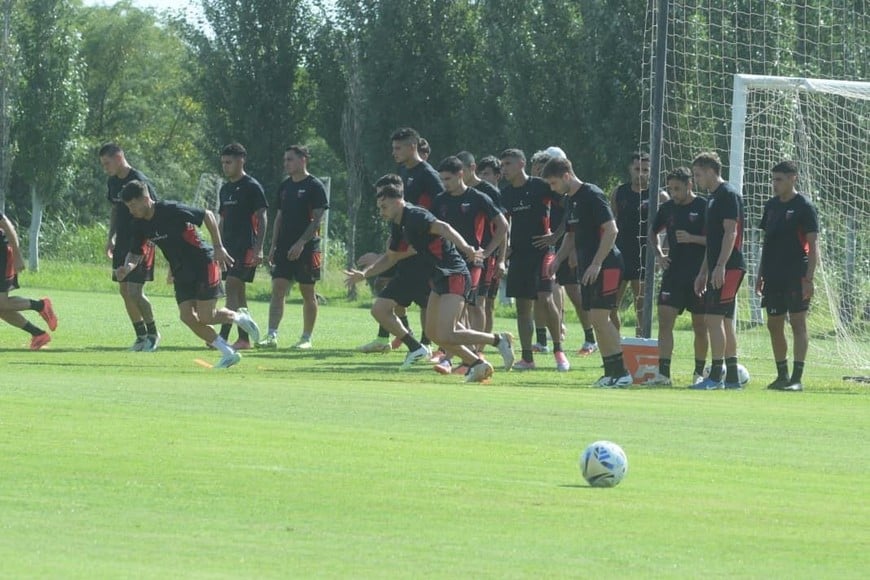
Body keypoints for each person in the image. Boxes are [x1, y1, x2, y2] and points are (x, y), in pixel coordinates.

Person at [344, 184, 514, 382]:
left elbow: (444, 228)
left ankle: (498, 340)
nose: (381, 211)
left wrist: (467, 248)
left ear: (398, 201)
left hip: (454, 272)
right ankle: (477, 364)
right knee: (434, 333)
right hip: (437, 277)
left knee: (448, 332)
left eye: (384, 206)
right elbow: (390, 258)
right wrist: (364, 274)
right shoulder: (398, 224)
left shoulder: (416, 215)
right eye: (379, 207)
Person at [118, 180, 260, 369]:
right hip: (181, 270)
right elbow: (136, 252)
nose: (131, 210)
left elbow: (207, 215)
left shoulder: (170, 209)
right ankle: (228, 352)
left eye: (133, 205)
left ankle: (240, 318)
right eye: (128, 207)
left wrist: (218, 247)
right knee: (187, 317)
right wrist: (127, 267)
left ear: (145, 199)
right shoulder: (139, 223)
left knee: (206, 316)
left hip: (203, 262)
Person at [542, 157, 632, 387]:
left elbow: (611, 231)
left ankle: (622, 372)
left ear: (566, 176)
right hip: (590, 266)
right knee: (595, 318)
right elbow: (571, 236)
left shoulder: (592, 194)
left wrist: (597, 263)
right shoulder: (570, 200)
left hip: (607, 264)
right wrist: (558, 260)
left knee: (601, 318)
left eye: (553, 183)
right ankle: (611, 371)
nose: (552, 189)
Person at [431, 156, 508, 374]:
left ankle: (475, 353)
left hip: (473, 262)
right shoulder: (440, 200)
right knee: (456, 311)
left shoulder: (478, 198)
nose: (445, 183)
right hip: (447, 263)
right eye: (442, 179)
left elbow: (502, 225)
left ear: (460, 175)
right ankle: (458, 356)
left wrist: (488, 252)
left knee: (474, 305)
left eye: (448, 179)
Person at [499, 148, 565, 371]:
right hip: (519, 255)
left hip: (543, 253)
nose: (504, 169)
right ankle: (527, 358)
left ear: (521, 164)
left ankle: (559, 352)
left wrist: (555, 236)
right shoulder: (506, 193)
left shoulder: (540, 186)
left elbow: (570, 208)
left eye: (508, 164)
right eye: (502, 164)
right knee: (522, 308)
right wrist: (504, 250)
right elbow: (502, 225)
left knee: (545, 299)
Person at [755, 160, 819, 392]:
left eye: (779, 179)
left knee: (798, 323)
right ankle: (781, 375)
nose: (775, 184)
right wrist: (760, 274)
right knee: (774, 324)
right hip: (773, 275)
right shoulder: (771, 206)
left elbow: (813, 246)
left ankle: (796, 378)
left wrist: (809, 278)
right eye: (773, 179)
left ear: (793, 178)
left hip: (796, 274)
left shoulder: (804, 206)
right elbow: (767, 243)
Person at [258, 145, 328, 350]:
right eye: (285, 159)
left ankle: (306, 338)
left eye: (290, 159)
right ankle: (271, 335)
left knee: (308, 292)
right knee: (278, 289)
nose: (286, 163)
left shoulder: (314, 186)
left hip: (307, 248)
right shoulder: (285, 186)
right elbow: (279, 217)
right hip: (283, 247)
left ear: (303, 160)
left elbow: (317, 220)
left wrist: (301, 243)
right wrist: (272, 246)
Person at [644, 167, 708, 386]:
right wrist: (660, 255)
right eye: (670, 188)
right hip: (673, 274)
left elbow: (715, 240)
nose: (673, 193)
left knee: (700, 326)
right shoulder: (668, 208)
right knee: (664, 322)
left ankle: (699, 373)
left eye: (677, 188)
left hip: (698, 275)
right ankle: (663, 374)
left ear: (689, 185)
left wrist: (692, 238)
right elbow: (652, 232)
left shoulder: (703, 206)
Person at [692, 152, 746, 390]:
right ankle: (732, 377)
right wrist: (703, 271)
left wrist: (721, 266)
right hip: (718, 267)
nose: (696, 179)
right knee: (724, 321)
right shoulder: (713, 198)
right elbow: (711, 241)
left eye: (698, 174)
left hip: (730, 266)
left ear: (712, 171)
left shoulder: (728, 194)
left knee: (712, 320)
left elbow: (731, 232)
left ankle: (715, 377)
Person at [99, 143, 159, 351]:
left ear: (118, 158)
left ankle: (153, 334)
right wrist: (111, 237)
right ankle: (141, 337)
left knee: (135, 291)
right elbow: (116, 210)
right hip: (122, 242)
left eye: (107, 163)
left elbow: (154, 210)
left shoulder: (139, 180)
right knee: (125, 291)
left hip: (141, 241)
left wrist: (150, 241)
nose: (105, 168)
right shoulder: (112, 182)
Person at [610, 152, 669, 335]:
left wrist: (662, 253)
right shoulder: (619, 192)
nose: (640, 173)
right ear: (630, 169)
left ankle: (640, 344)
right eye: (637, 169)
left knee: (642, 307)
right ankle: (616, 346)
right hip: (620, 255)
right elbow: (612, 223)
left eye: (645, 170)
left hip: (645, 256)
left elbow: (670, 228)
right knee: (611, 305)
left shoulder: (660, 196)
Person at [217, 143, 268, 350]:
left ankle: (222, 337)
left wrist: (259, 248)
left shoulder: (252, 186)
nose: (225, 166)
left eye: (229, 162)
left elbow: (263, 217)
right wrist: (217, 245)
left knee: (231, 285)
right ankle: (244, 339)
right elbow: (221, 219)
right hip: (227, 248)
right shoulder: (225, 189)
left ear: (241, 161)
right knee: (239, 292)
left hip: (245, 246)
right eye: (223, 163)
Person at [455, 151, 506, 339]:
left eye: (461, 169)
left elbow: (504, 227)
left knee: (479, 302)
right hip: (462, 255)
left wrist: (499, 259)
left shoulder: (488, 191)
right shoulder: (456, 191)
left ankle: (480, 348)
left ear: (471, 168)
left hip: (485, 256)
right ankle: (465, 343)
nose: (458, 174)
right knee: (464, 303)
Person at [0, 211, 57, 349]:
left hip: (2, 253)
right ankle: (38, 334)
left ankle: (41, 306)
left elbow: (7, 226)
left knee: (1, 304)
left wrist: (18, 255)